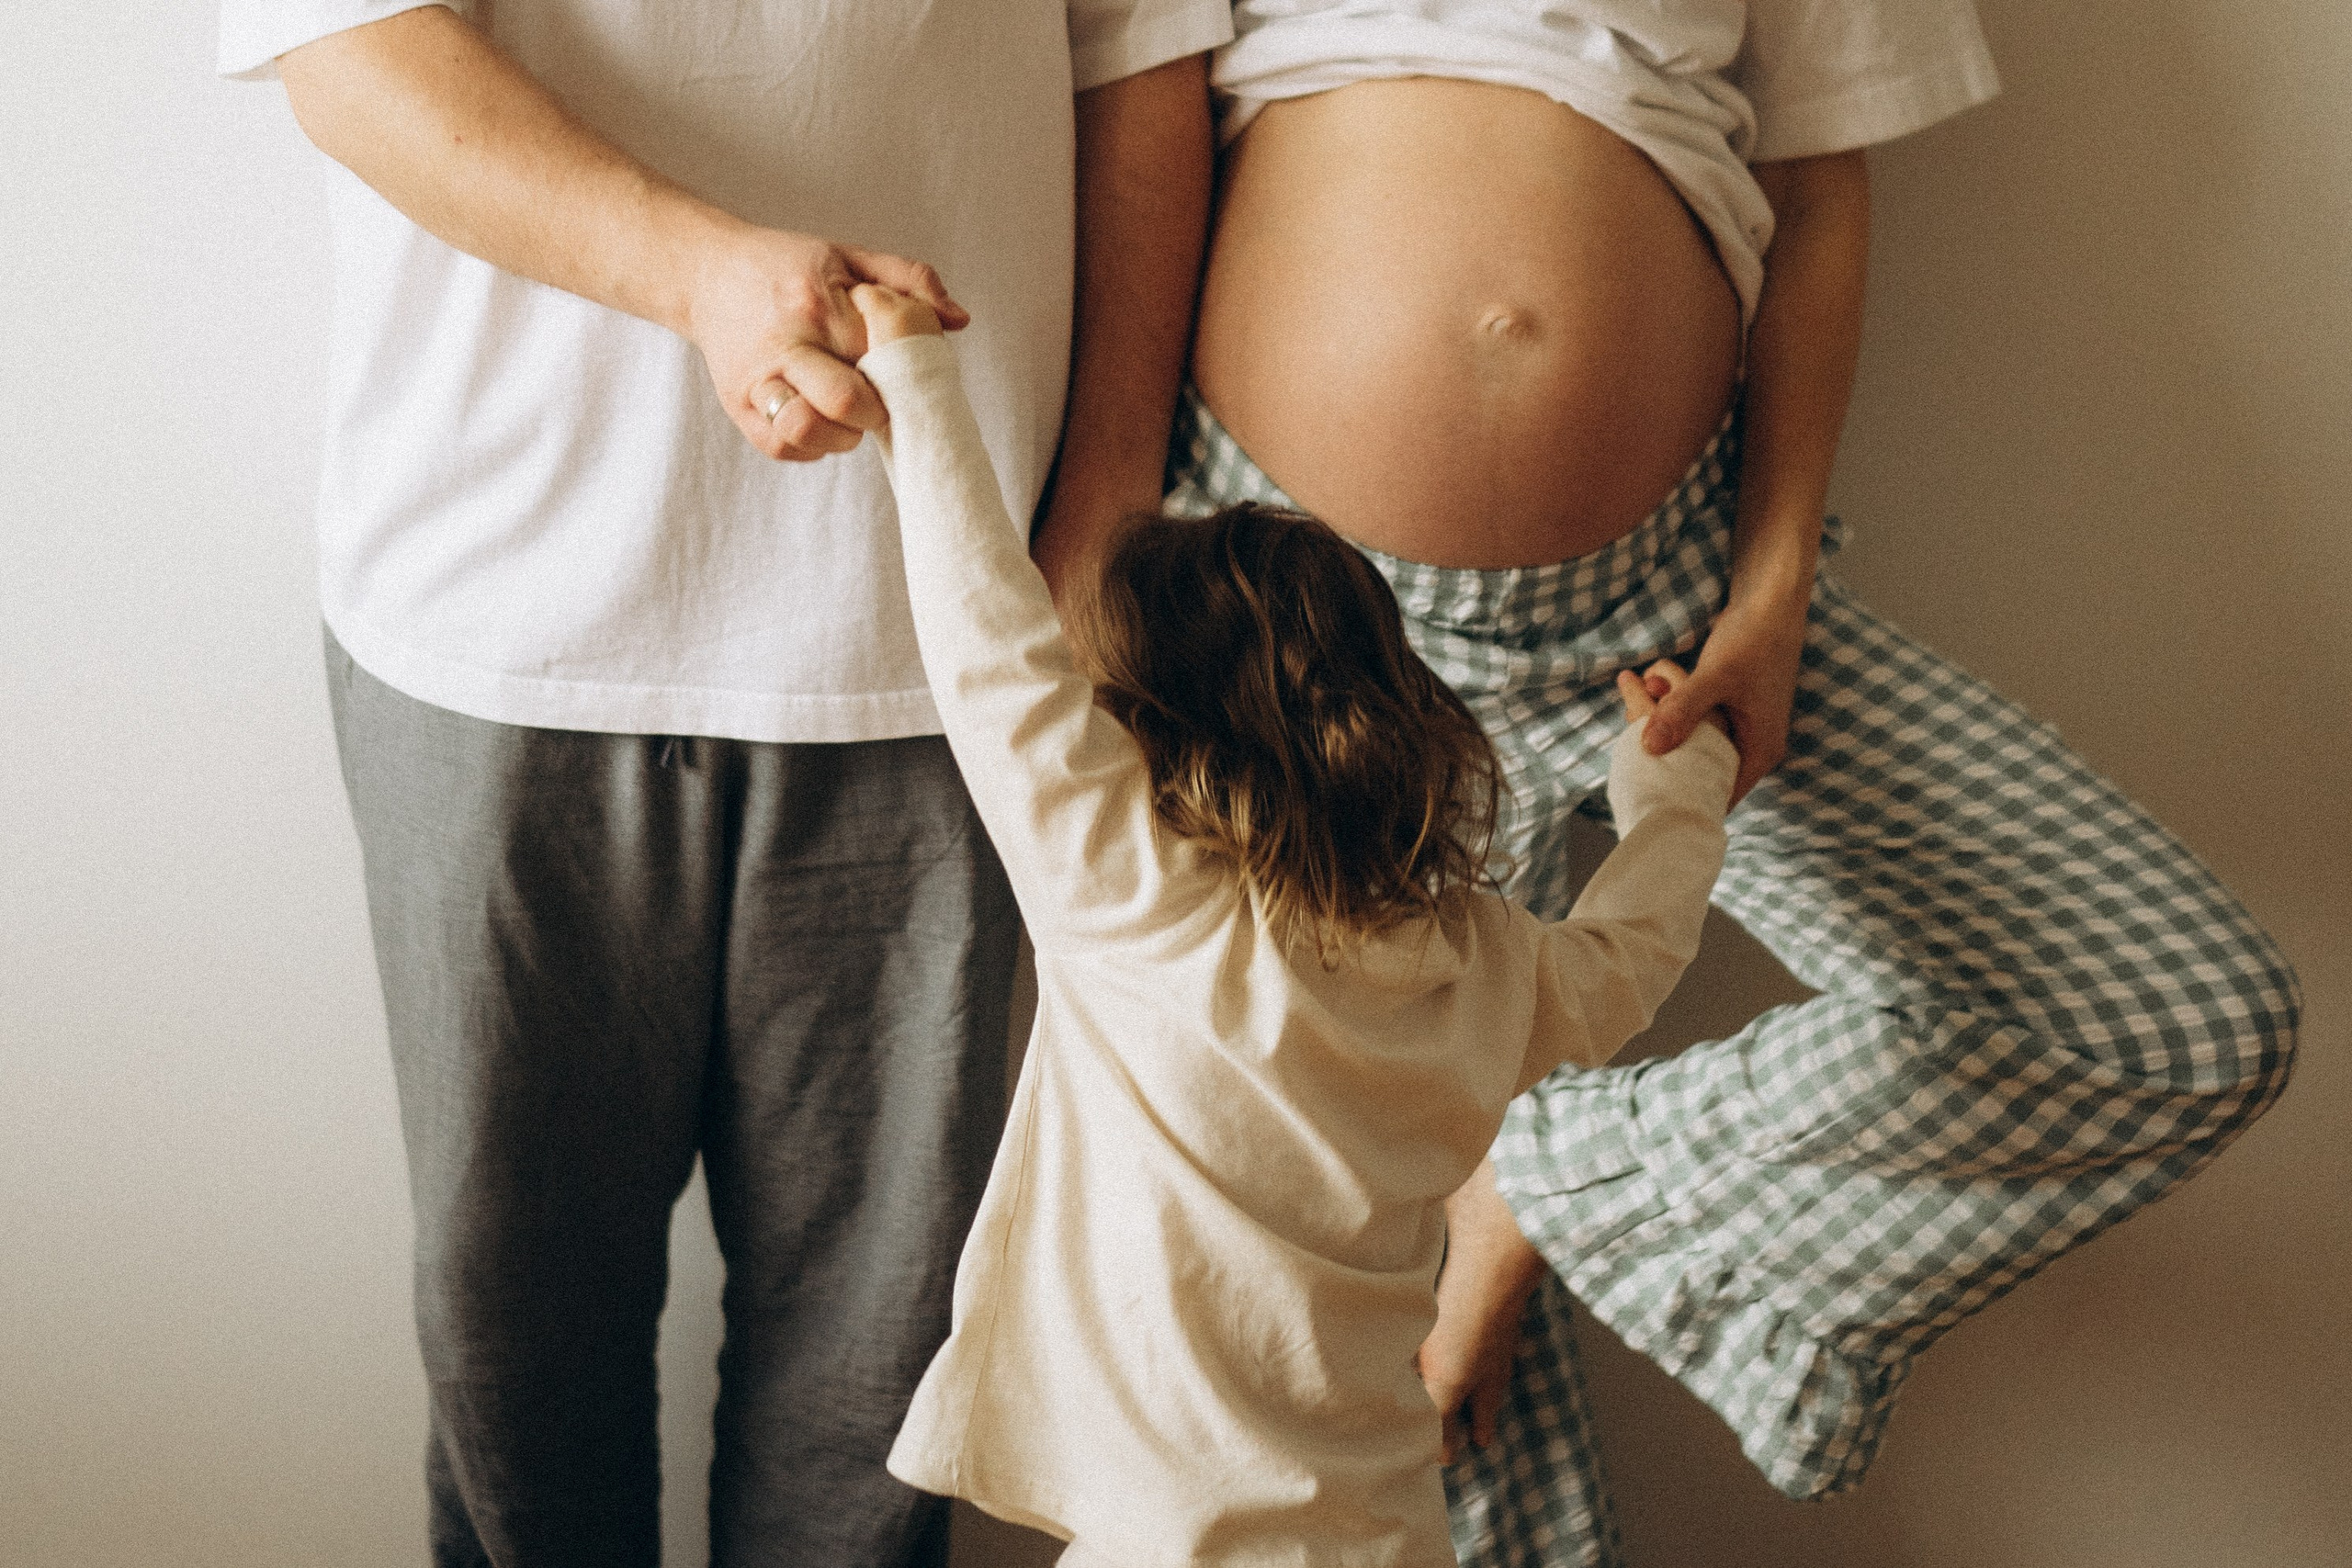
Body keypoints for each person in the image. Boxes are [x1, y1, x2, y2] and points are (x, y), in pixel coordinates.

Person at [1030, 3, 2303, 1564]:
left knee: (2175, 1018)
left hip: (1672, 629)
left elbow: (1822, 189)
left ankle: (1555, 1179)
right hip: (1295, 625)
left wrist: (1770, 599)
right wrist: (1101, 522)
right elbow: (1139, 102)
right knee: (1353, 1356)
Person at [218, 0, 1233, 1562]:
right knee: (514, 1375)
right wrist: (700, 272)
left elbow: (1143, 57)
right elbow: (349, 46)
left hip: (947, 636)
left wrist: (1104, 503)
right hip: (501, 620)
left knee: (881, 1405)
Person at [847, 279, 1739, 1568]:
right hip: (1380, 1538)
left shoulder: (1138, 909)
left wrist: (916, 393)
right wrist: (1677, 782)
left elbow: (994, 658)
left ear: (1150, 733)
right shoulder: (1484, 966)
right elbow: (1637, 951)